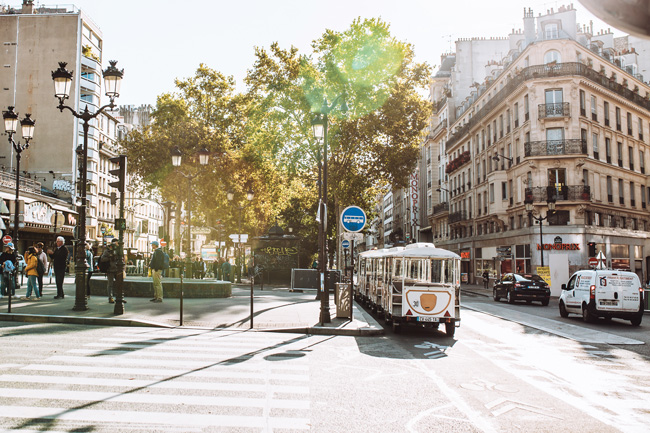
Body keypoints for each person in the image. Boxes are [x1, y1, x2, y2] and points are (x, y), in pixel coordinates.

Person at [100, 238, 119, 303]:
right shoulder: (107, 250)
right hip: (110, 269)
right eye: (116, 243)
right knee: (110, 284)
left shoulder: (118, 250)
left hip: (117, 269)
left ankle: (118, 297)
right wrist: (110, 257)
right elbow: (102, 259)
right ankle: (110, 297)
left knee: (119, 284)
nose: (117, 244)